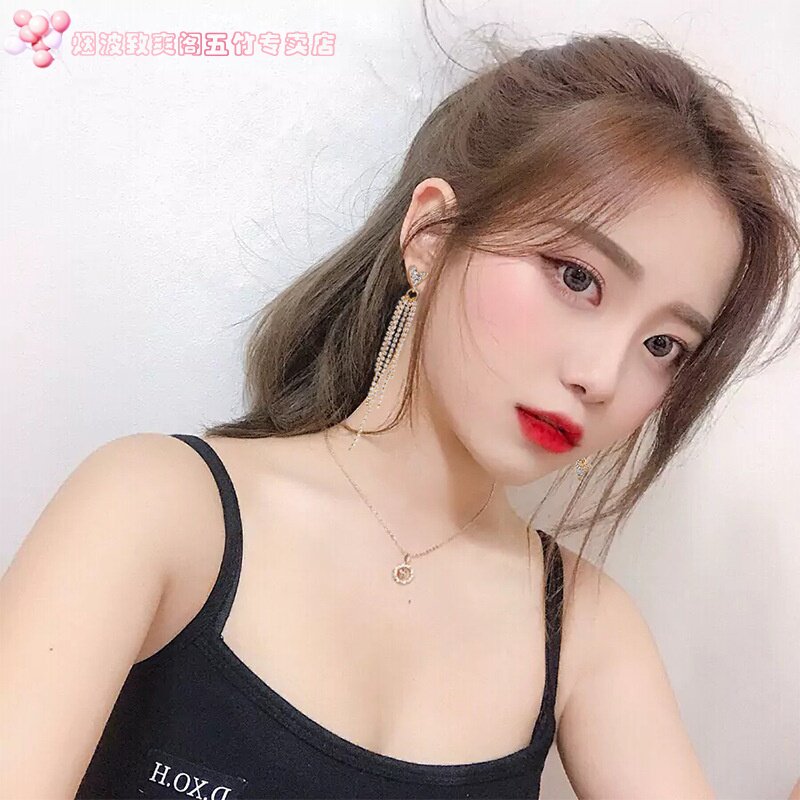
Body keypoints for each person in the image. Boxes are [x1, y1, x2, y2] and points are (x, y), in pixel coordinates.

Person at [2, 30, 799, 800]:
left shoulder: (587, 631)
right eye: (576, 277)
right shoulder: (157, 506)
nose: (601, 376)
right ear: (430, 235)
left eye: (662, 345)